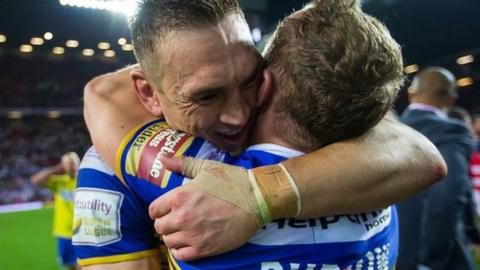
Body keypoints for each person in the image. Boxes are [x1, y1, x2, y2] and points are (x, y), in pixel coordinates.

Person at [78, 0, 445, 268]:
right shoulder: (364, 158)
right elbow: (419, 154)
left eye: (249, 78)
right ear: (147, 93)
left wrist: (259, 194)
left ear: (268, 78)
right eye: (206, 95)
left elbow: (423, 156)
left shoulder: (115, 168)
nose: (238, 115)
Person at [397, 67, 475, 270]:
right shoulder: (453, 131)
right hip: (438, 258)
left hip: (397, 254)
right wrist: (431, 261)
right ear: (452, 99)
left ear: (411, 93)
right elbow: (447, 198)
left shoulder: (392, 133)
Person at [31, 152, 80, 270]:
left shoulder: (83, 180)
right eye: (66, 163)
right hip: (63, 232)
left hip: (81, 232)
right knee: (70, 265)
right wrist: (57, 169)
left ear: (77, 163)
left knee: (82, 265)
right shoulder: (60, 182)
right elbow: (35, 180)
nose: (70, 166)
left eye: (72, 163)